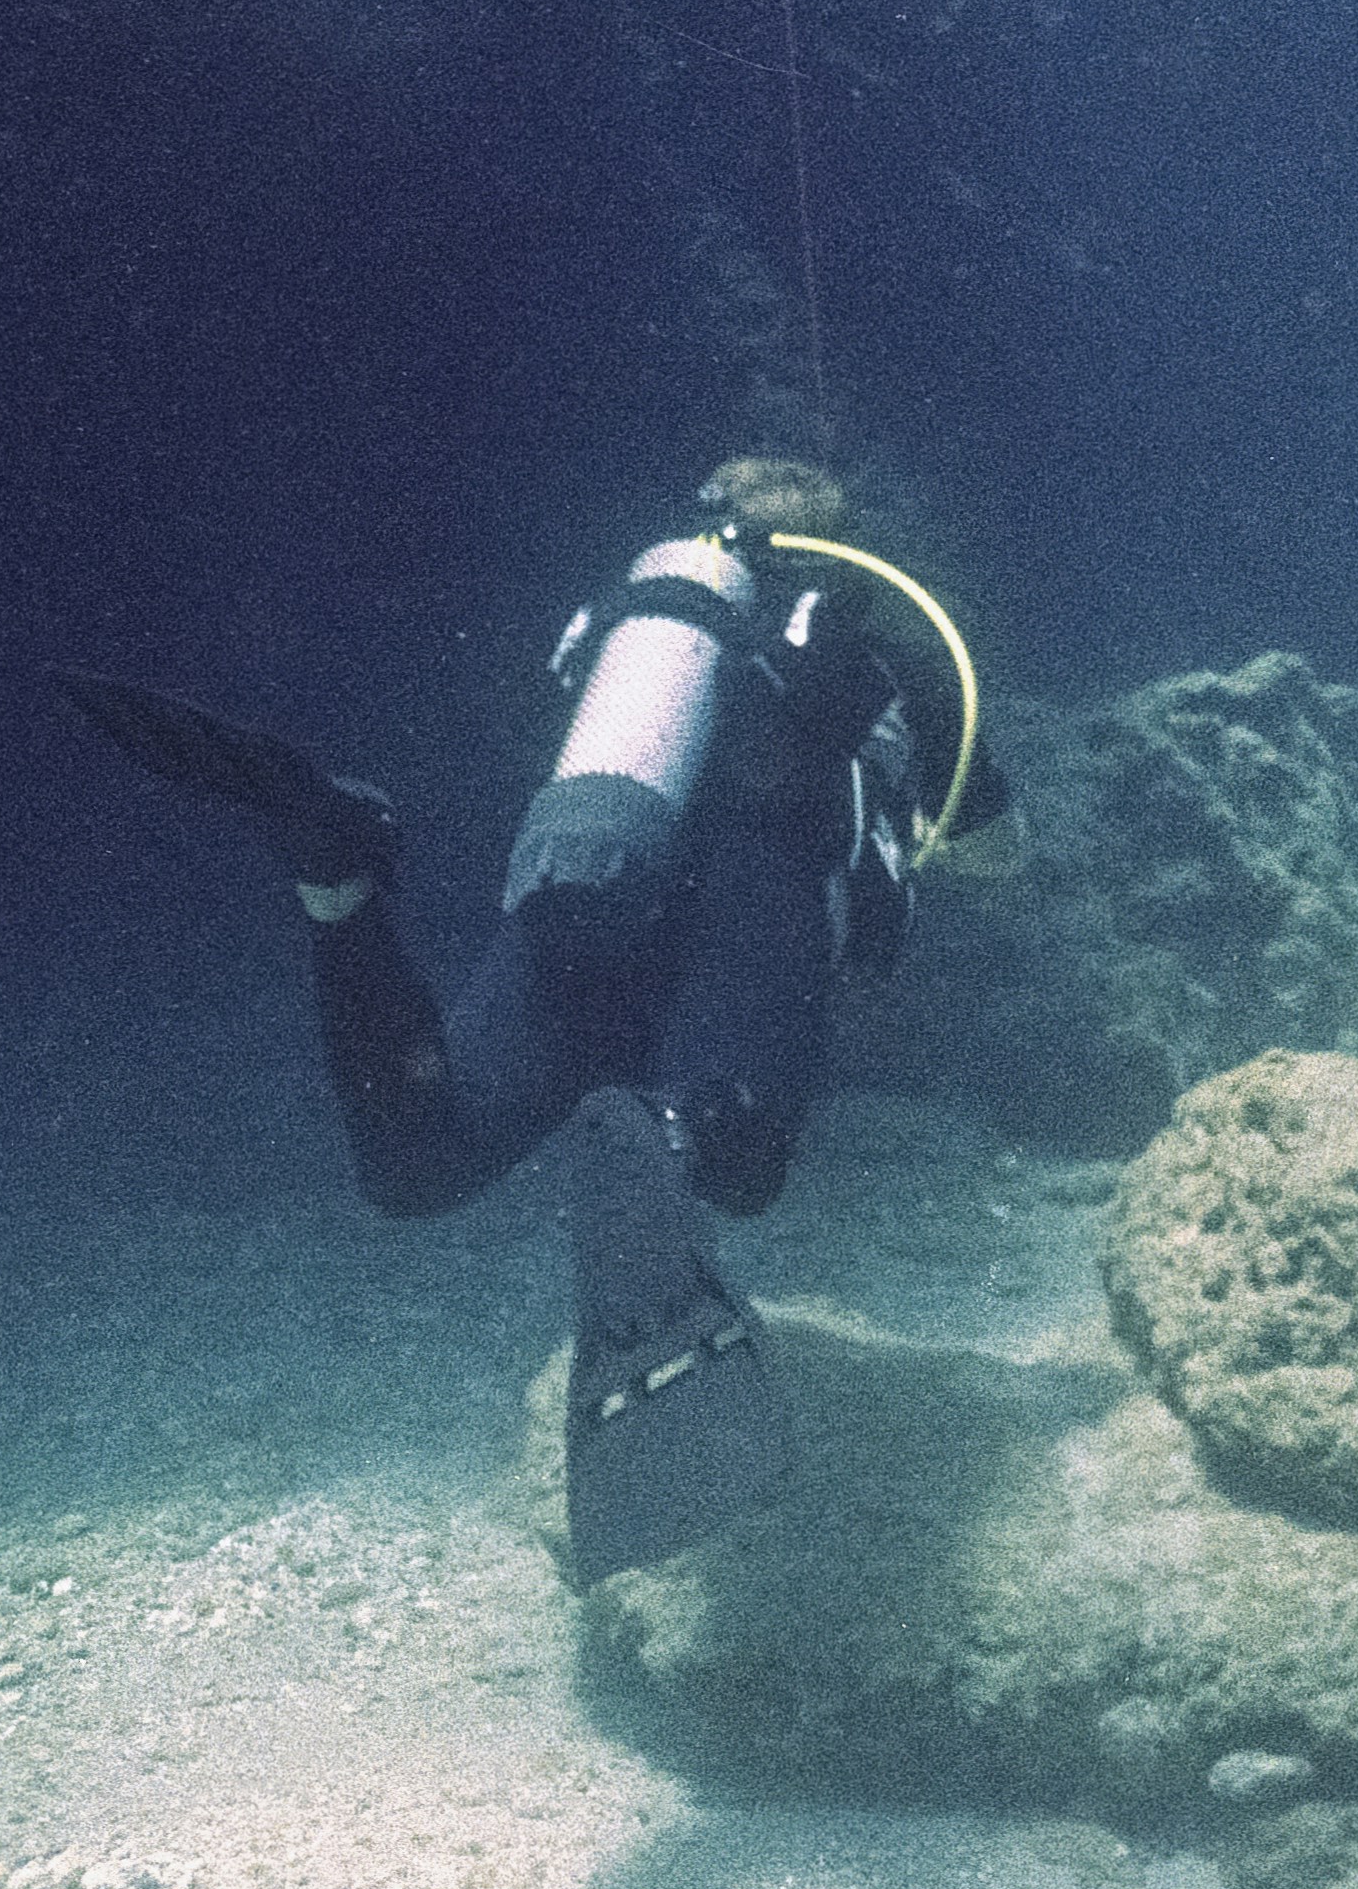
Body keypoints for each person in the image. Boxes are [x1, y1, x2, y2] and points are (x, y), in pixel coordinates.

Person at [61, 456, 1005, 1573]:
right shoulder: (883, 627)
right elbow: (992, 847)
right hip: (752, 905)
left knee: (419, 1157)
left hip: (583, 890)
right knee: (737, 1162)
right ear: (841, 542)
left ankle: (339, 878)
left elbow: (528, 745)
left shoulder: (620, 621)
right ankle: (671, 1124)